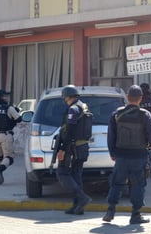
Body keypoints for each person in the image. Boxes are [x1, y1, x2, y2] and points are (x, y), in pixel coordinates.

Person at [103, 85, 151, 224]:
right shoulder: (145, 115)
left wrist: (112, 152)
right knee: (138, 185)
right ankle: (135, 215)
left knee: (116, 183)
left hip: (121, 156)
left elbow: (111, 136)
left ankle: (110, 211)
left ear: (127, 97)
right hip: (139, 156)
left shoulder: (117, 114)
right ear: (140, 99)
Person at [57, 85, 92, 215]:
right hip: (82, 147)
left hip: (73, 148)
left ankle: (82, 198)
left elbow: (70, 129)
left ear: (67, 96)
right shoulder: (83, 106)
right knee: (76, 175)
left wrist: (63, 149)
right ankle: (78, 206)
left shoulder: (73, 109)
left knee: (63, 173)